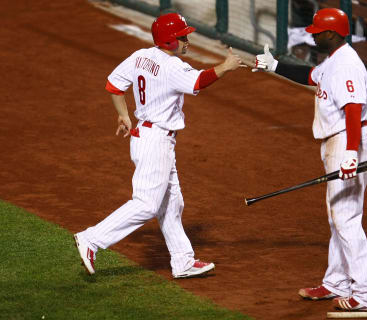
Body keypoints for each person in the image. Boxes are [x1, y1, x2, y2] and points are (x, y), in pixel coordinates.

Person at [74, 13, 244, 279]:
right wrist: (226, 66)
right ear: (169, 40)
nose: (187, 41)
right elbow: (199, 81)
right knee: (146, 204)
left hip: (148, 136)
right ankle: (91, 239)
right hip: (155, 141)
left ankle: (182, 260)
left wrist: (123, 114)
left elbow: (113, 85)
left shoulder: (141, 55)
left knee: (171, 204)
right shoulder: (172, 67)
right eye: (182, 37)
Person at [252, 8, 367, 311]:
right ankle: (336, 282)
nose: (312, 35)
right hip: (339, 140)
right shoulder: (332, 61)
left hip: (350, 140)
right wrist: (275, 66)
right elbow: (311, 76)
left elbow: (353, 109)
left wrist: (351, 153)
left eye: (317, 32)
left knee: (346, 218)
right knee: (338, 214)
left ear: (332, 34)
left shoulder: (347, 64)